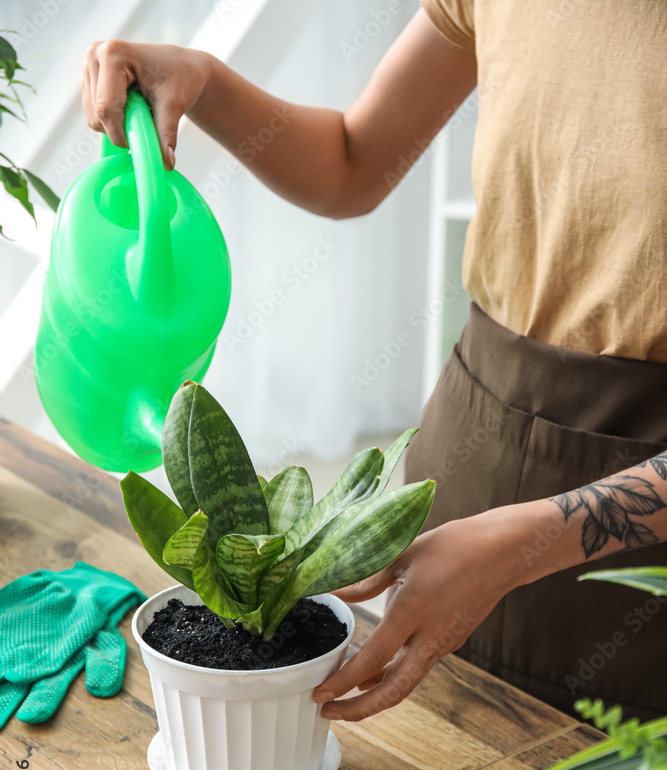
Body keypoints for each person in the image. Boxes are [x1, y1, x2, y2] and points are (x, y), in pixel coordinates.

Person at [82, 2, 667, 724]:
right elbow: (352, 164)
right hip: (475, 443)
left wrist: (529, 544)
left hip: (641, 533)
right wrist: (204, 79)